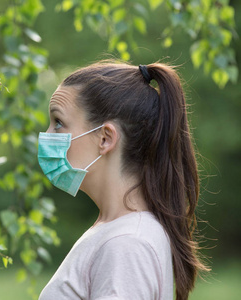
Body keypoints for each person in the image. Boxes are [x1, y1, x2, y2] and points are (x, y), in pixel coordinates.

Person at [37, 61, 209, 300]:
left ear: (105, 139)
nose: (46, 135)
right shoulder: (119, 232)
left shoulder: (127, 243)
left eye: (58, 123)